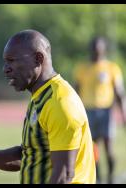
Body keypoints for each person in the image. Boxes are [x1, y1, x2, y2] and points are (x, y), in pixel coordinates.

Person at [0, 29, 96, 184]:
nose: (5, 68)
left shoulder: (60, 102)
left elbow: (63, 175)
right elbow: (28, 156)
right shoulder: (41, 96)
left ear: (38, 58)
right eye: (5, 62)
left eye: (12, 60)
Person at [73, 37, 126, 184]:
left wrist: (123, 114)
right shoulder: (82, 68)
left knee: (109, 149)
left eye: (99, 48)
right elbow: (75, 93)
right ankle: (98, 178)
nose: (96, 51)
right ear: (90, 49)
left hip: (106, 111)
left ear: (104, 49)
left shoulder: (112, 68)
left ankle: (110, 177)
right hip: (87, 111)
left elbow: (119, 92)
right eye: (94, 48)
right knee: (91, 149)